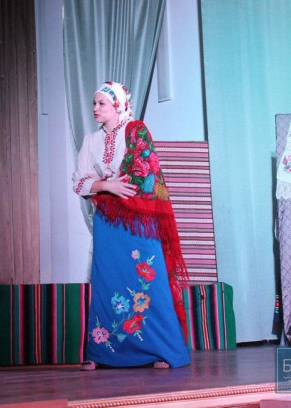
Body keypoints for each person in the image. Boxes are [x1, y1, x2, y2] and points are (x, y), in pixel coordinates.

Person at [72, 81, 190, 370]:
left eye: (101, 103)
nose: (95, 108)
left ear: (118, 105)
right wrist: (108, 185)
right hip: (107, 221)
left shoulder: (136, 131)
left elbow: (144, 175)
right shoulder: (90, 140)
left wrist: (102, 185)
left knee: (150, 281)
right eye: (94, 103)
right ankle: (103, 352)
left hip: (138, 220)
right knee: (107, 282)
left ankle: (163, 351)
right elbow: (79, 181)